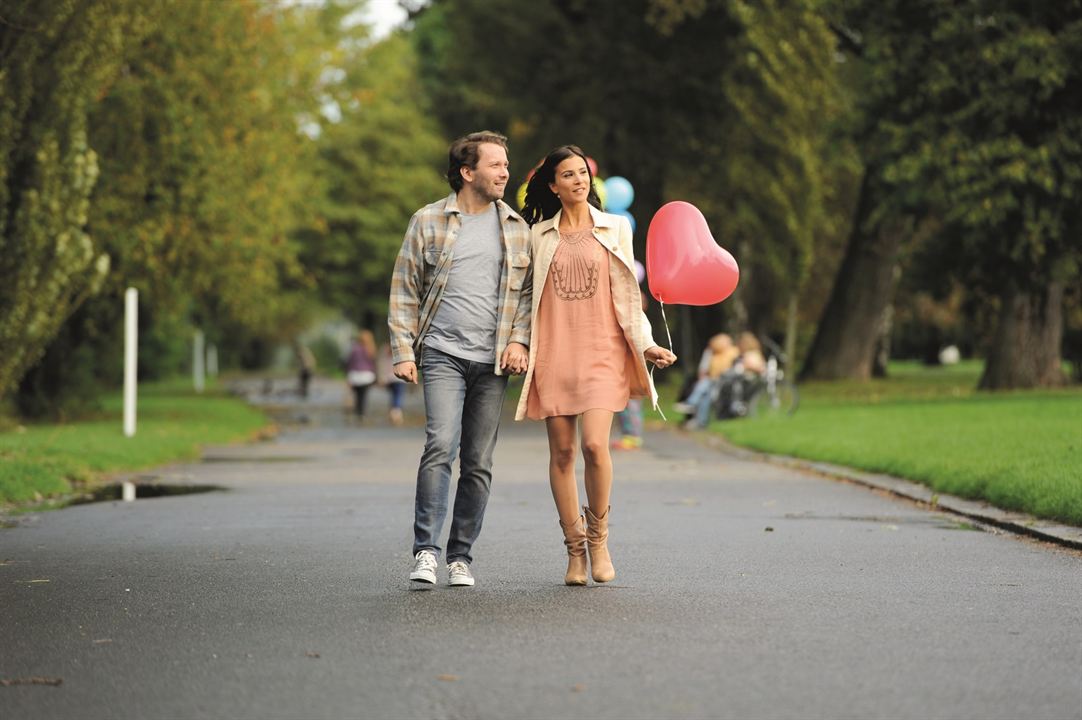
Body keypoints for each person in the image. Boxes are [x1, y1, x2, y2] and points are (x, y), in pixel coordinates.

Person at [515, 145, 676, 586]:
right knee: (563, 453)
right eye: (567, 175)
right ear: (553, 185)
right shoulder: (537, 235)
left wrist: (646, 344)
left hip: (603, 351)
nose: (579, 180)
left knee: (593, 446)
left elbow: (627, 295)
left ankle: (600, 540)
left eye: (582, 173)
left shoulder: (615, 228)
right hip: (554, 352)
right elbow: (525, 297)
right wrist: (517, 343)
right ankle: (575, 552)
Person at [388, 131, 532, 588]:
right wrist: (403, 351)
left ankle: (460, 557)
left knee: (479, 461)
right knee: (440, 446)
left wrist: (520, 342)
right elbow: (403, 289)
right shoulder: (428, 221)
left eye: (506, 164)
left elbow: (528, 296)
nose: (505, 172)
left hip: (493, 362)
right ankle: (426, 551)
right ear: (468, 172)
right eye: (496, 165)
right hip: (442, 354)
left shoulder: (516, 227)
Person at [675, 333, 739, 429]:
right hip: (712, 380)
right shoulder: (711, 353)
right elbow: (704, 369)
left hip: (723, 382)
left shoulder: (733, 353)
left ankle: (691, 402)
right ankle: (701, 422)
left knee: (704, 385)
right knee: (705, 395)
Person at [345, 330, 377, 417]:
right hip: (367, 376)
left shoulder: (354, 349)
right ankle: (362, 412)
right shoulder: (371, 349)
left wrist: (347, 374)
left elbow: (350, 362)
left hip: (355, 375)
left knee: (357, 394)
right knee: (364, 395)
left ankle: (358, 411)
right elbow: (373, 363)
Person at [377, 341, 406, 426]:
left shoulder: (385, 351)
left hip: (389, 379)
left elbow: (381, 365)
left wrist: (382, 377)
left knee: (393, 395)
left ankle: (392, 411)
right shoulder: (401, 350)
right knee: (398, 395)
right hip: (400, 378)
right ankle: (396, 412)